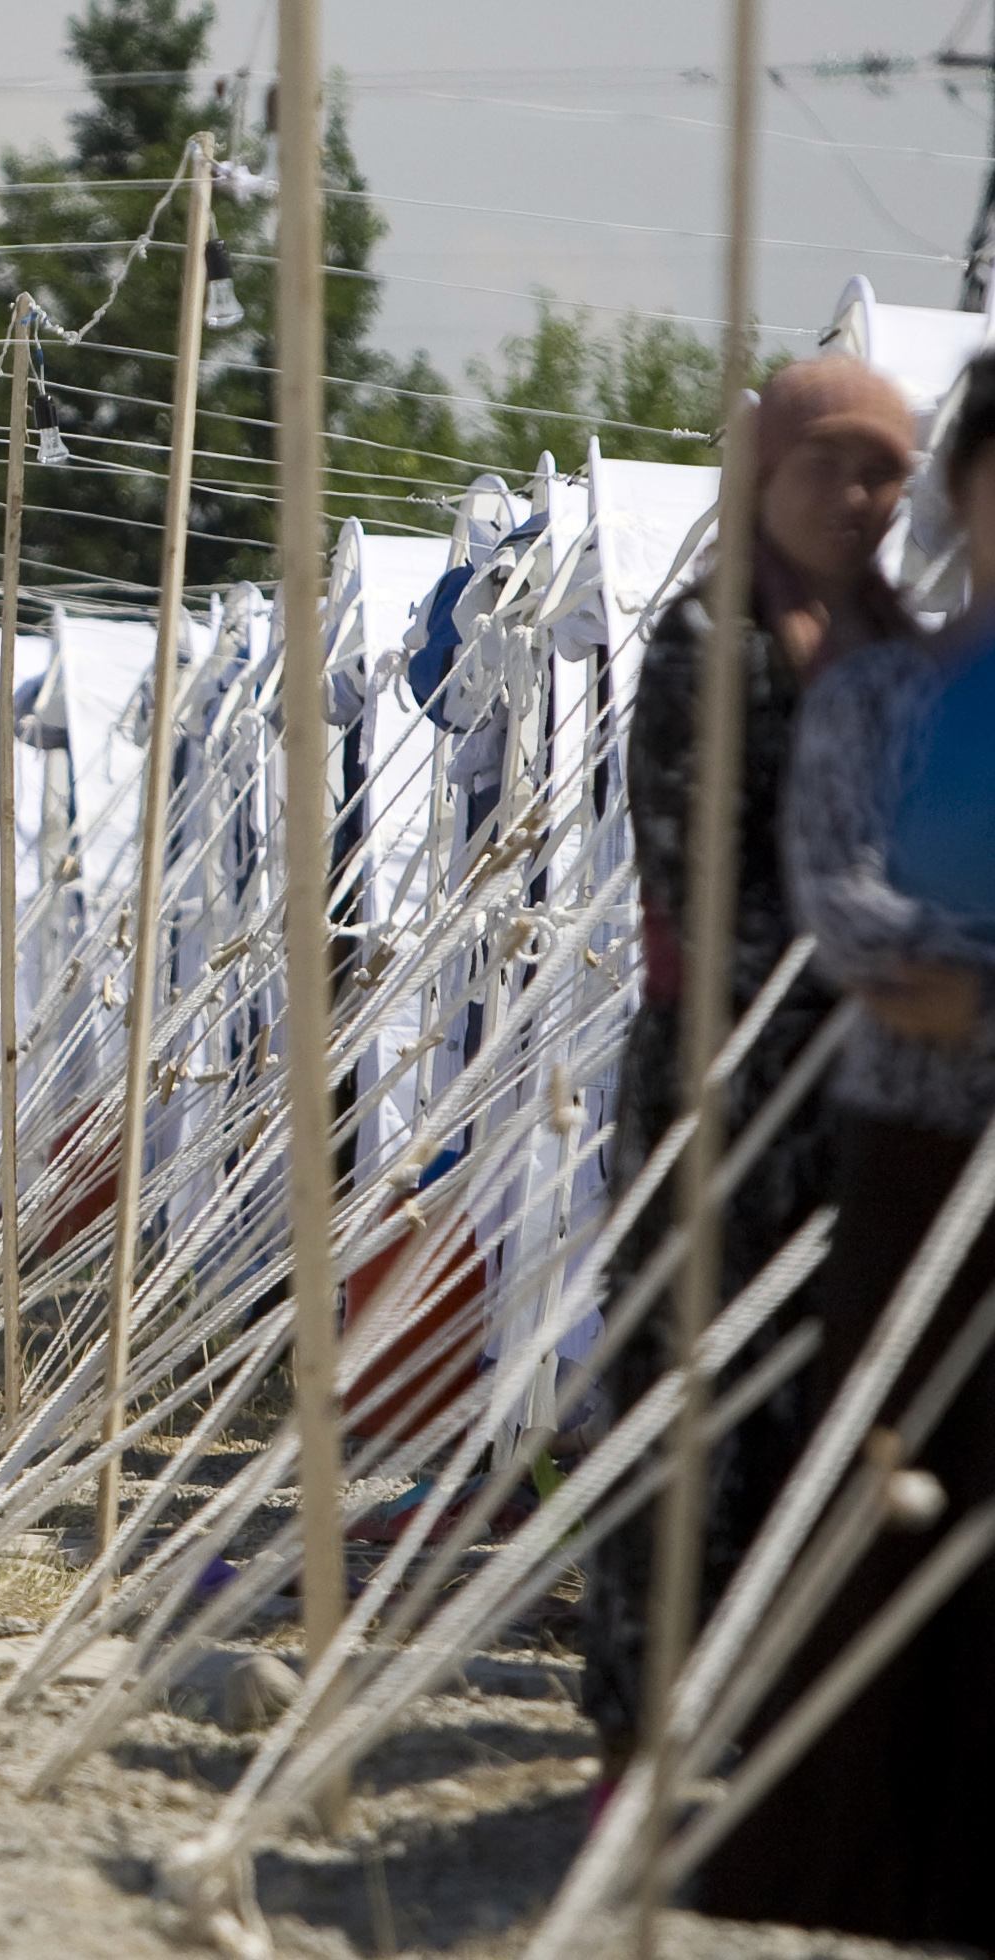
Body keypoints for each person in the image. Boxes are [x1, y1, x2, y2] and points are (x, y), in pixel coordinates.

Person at [573, 356, 916, 1780]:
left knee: (821, 1390)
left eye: (886, 470)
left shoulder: (904, 651)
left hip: (872, 1084)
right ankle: (647, 1725)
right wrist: (880, 961)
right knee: (689, 1377)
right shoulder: (706, 646)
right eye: (829, 464)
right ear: (763, 473)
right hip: (723, 1076)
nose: (859, 497)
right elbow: (701, 882)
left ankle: (781, 1734)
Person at [711, 349, 995, 1945]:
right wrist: (952, 969)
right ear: (970, 499)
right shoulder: (893, 691)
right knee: (895, 1487)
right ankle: (865, 1852)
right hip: (918, 1141)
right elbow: (842, 890)